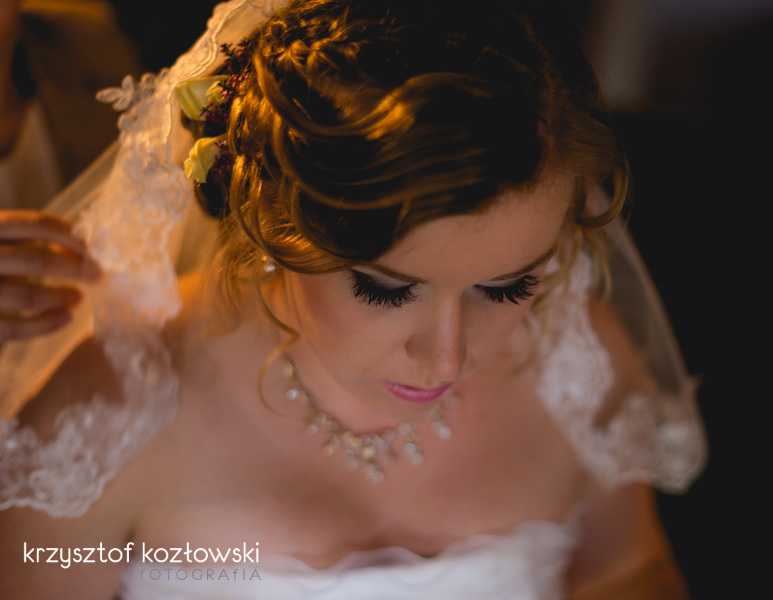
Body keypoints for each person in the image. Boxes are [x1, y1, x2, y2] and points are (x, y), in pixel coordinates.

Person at [0, 0, 706, 598]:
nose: (447, 358)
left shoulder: (574, 360)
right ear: (272, 220)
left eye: (507, 286)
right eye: (384, 289)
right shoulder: (101, 421)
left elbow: (627, 569)